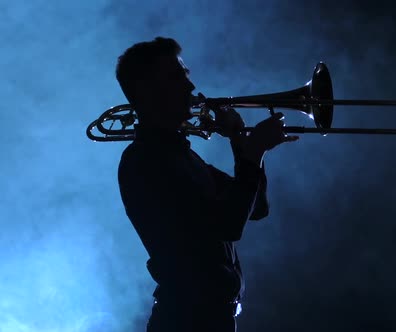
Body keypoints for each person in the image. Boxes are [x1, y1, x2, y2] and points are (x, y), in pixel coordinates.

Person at [115, 37, 298, 332]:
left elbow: (258, 208)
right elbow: (229, 225)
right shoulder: (146, 160)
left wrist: (241, 143)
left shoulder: (183, 156)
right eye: (177, 77)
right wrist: (253, 153)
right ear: (148, 90)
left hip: (209, 318)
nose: (190, 87)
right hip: (186, 319)